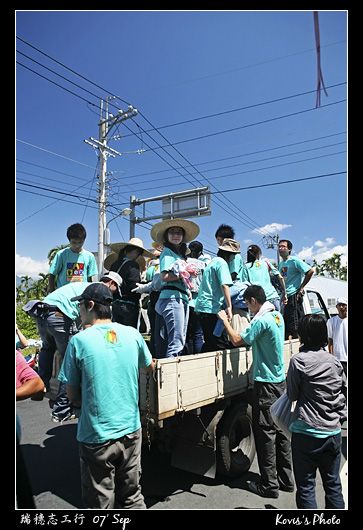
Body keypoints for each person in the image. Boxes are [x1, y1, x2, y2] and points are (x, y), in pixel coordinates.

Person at [58, 283, 155, 509]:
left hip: (97, 436)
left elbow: (71, 395)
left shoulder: (79, 341)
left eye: (80, 305)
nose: (79, 311)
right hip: (131, 430)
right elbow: (149, 367)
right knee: (132, 496)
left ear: (91, 305)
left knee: (100, 503)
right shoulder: (132, 334)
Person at [217, 284, 294, 498]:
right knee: (281, 431)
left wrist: (224, 320)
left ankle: (269, 486)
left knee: (265, 434)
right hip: (280, 382)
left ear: (252, 301)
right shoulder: (277, 316)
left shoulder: (261, 320)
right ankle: (286, 481)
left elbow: (237, 339)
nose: (248, 308)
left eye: (247, 304)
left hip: (266, 385)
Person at [23, 274, 121, 422]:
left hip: (42, 313)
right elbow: (87, 322)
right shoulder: (92, 291)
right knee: (70, 360)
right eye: (114, 291)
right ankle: (62, 409)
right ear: (112, 283)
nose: (111, 296)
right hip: (58, 315)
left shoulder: (81, 286)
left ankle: (40, 388)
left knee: (47, 349)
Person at [287, 314, 347, 509]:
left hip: (306, 433)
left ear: (303, 335)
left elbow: (293, 394)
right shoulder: (334, 362)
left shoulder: (298, 361)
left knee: (306, 488)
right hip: (332, 433)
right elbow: (343, 392)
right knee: (333, 486)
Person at [151, 218, 200, 358]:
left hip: (181, 297)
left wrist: (188, 275)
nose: (176, 235)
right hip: (172, 298)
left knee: (180, 340)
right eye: (172, 232)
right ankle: (170, 377)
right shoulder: (167, 252)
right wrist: (184, 274)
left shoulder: (179, 254)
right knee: (176, 342)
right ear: (166, 236)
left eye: (179, 232)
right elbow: (164, 276)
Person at [195, 239, 238, 353]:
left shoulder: (213, 262)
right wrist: (229, 307)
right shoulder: (222, 263)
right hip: (211, 308)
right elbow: (225, 285)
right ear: (230, 255)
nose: (233, 259)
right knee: (220, 344)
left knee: (209, 342)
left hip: (203, 307)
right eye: (233, 256)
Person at [108, 238, 153, 328]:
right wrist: (148, 285)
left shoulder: (114, 264)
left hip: (115, 303)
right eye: (138, 253)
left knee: (117, 333)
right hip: (129, 305)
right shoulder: (133, 265)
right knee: (128, 334)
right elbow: (133, 286)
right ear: (135, 251)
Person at [278, 239, 315, 340]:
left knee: (295, 325)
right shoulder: (281, 264)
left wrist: (302, 287)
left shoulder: (294, 260)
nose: (280, 248)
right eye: (279, 246)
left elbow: (310, 271)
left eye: (283, 246)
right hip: (285, 297)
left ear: (289, 249)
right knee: (286, 324)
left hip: (294, 295)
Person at [48, 223, 98, 292]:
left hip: (81, 296)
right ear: (69, 240)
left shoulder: (90, 256)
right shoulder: (61, 254)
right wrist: (52, 293)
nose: (77, 245)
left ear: (84, 240)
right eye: (74, 242)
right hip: (63, 294)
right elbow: (52, 275)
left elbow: (90, 279)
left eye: (80, 242)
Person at [242, 244, 287, 311]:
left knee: (263, 321)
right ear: (259, 253)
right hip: (272, 296)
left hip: (259, 300)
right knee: (277, 320)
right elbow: (280, 277)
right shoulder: (266, 262)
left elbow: (245, 284)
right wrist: (284, 293)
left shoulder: (246, 267)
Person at [185, 241, 208, 354]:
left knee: (186, 334)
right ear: (200, 252)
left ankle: (187, 358)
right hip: (199, 302)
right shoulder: (204, 265)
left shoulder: (184, 262)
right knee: (198, 334)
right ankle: (197, 359)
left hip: (186, 300)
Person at [327, 297, 348, 376]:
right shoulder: (331, 321)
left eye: (343, 305)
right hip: (338, 359)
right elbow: (330, 340)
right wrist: (331, 357)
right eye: (339, 305)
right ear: (337, 307)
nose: (342, 307)